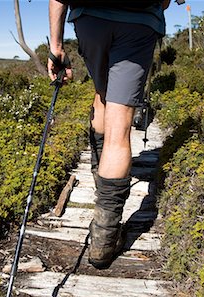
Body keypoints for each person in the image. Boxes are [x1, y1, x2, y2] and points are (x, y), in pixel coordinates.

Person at [48, 0, 170, 270]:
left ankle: (98, 171)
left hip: (91, 20)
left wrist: (56, 46)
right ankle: (104, 240)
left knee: (102, 94)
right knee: (120, 126)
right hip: (139, 24)